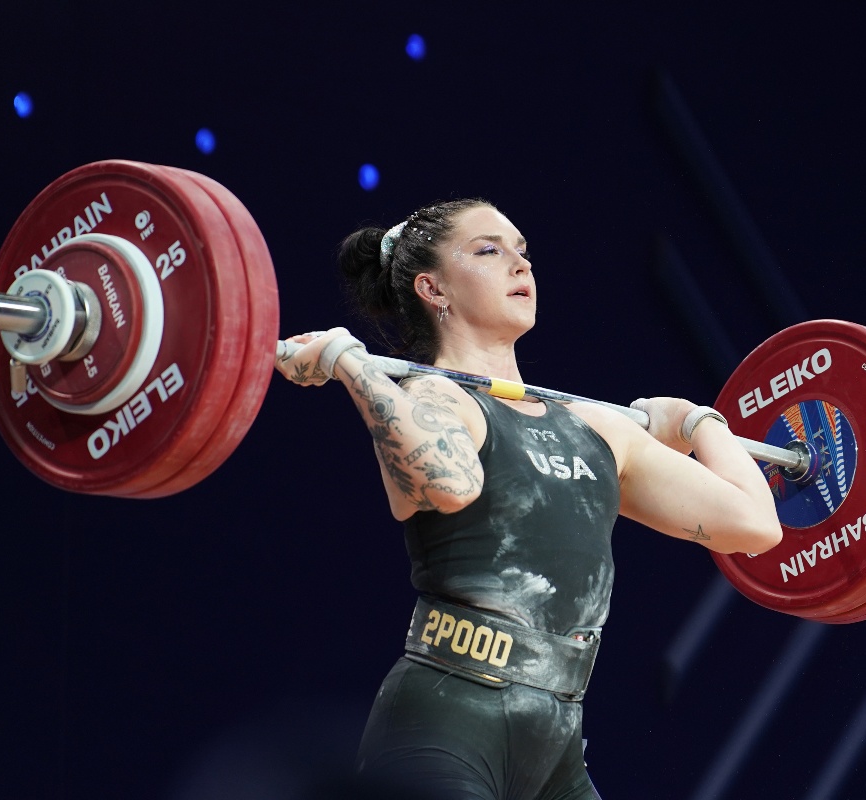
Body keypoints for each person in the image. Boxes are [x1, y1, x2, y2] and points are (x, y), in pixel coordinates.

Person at [275, 199, 782, 800]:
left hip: (558, 738)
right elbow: (448, 482)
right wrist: (350, 367)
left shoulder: (598, 429)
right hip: (446, 719)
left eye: (522, 251)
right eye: (489, 250)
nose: (519, 264)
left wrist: (701, 424)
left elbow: (754, 525)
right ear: (432, 288)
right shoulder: (437, 400)